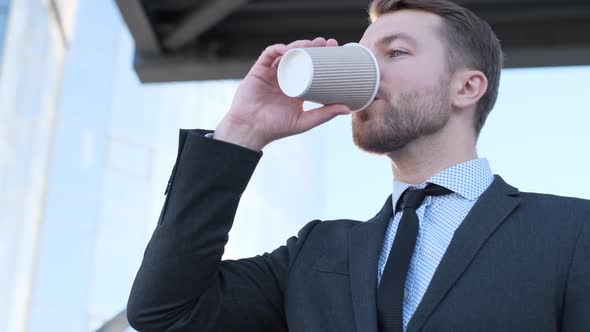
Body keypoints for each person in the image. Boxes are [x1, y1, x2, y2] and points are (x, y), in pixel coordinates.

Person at [126, 0, 590, 331]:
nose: (369, 74)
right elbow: (166, 313)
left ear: (466, 88)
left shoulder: (574, 231)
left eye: (396, 53)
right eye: (363, 59)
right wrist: (242, 131)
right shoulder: (315, 253)